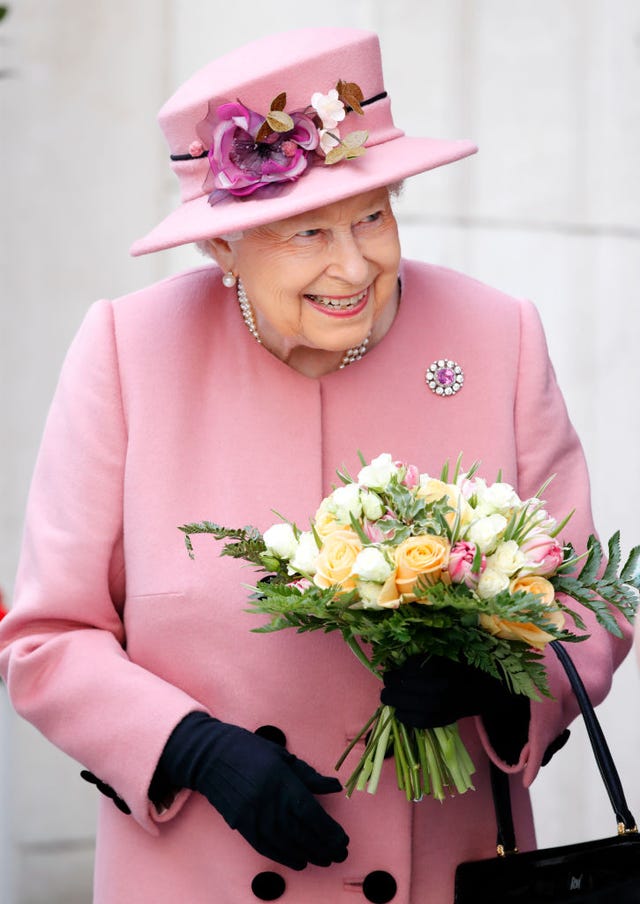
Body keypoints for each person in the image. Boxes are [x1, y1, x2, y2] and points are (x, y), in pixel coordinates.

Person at [0, 27, 632, 904]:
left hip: (444, 876)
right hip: (201, 875)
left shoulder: (496, 336)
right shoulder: (128, 353)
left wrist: (503, 687)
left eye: (372, 215)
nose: (354, 264)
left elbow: (586, 603)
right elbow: (48, 639)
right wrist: (189, 748)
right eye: (305, 233)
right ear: (222, 247)